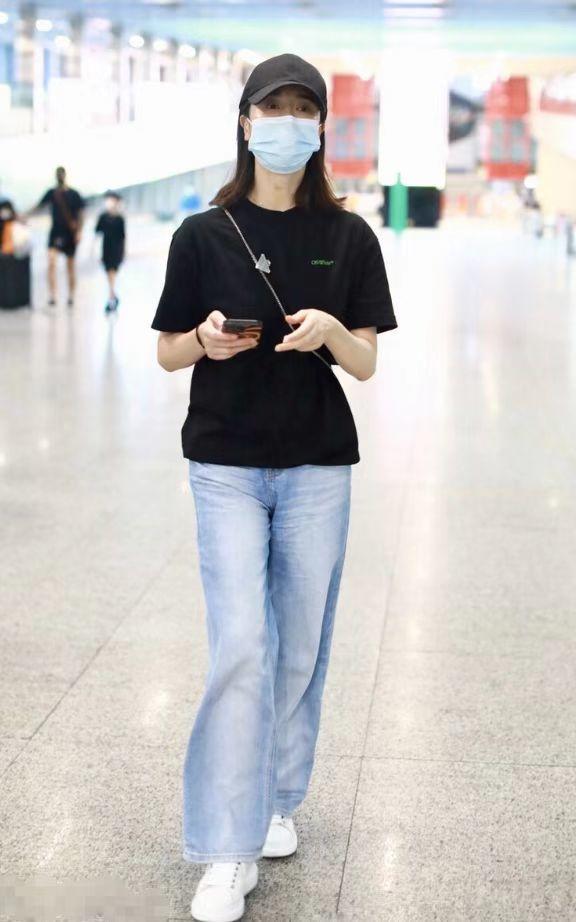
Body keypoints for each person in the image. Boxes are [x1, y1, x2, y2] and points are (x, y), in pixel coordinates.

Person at [151, 53, 398, 922]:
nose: (287, 123)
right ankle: (227, 847)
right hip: (224, 461)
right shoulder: (201, 234)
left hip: (317, 464)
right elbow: (167, 350)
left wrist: (332, 330)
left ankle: (278, 797)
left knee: (297, 647)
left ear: (320, 128)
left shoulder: (349, 236)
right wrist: (205, 341)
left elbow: (366, 362)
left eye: (303, 109)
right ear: (246, 122)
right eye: (272, 108)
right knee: (242, 645)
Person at [30, 166, 85, 307]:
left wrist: (79, 232)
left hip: (70, 234)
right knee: (51, 262)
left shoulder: (74, 194)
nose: (60, 176)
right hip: (55, 233)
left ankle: (71, 295)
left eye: (61, 174)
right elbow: (39, 206)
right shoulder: (52, 193)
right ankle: (53, 296)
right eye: (58, 174)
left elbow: (81, 214)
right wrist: (23, 215)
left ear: (65, 175)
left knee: (70, 266)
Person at [94, 191, 126, 312]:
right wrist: (93, 251)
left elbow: (123, 237)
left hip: (117, 249)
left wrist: (124, 252)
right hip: (106, 248)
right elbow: (97, 233)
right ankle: (112, 296)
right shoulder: (103, 217)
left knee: (112, 273)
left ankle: (111, 297)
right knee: (109, 273)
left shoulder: (120, 218)